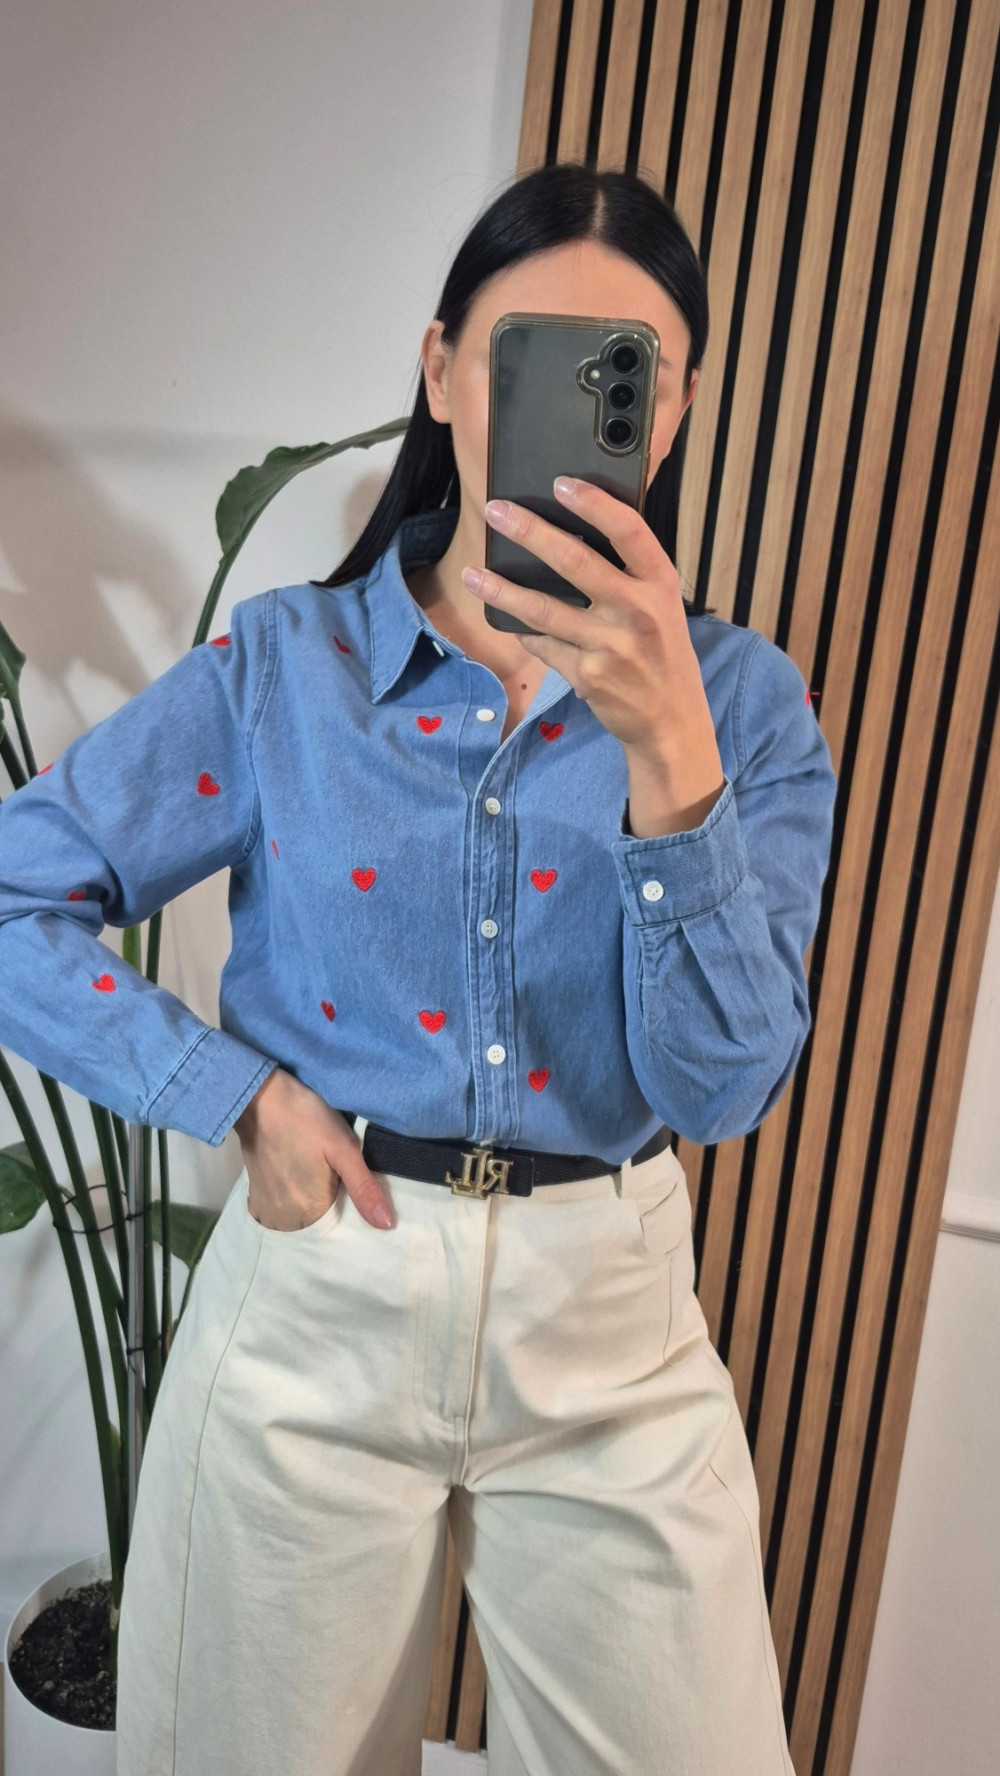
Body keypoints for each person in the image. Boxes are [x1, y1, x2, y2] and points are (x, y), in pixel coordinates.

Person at [0, 162, 836, 1776]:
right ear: (444, 369)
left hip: (611, 1324)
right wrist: (235, 1096)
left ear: (670, 414)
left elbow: (725, 1086)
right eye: (528, 358)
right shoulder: (285, 670)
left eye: (624, 373)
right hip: (322, 1286)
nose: (575, 410)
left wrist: (672, 759)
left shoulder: (744, 705)